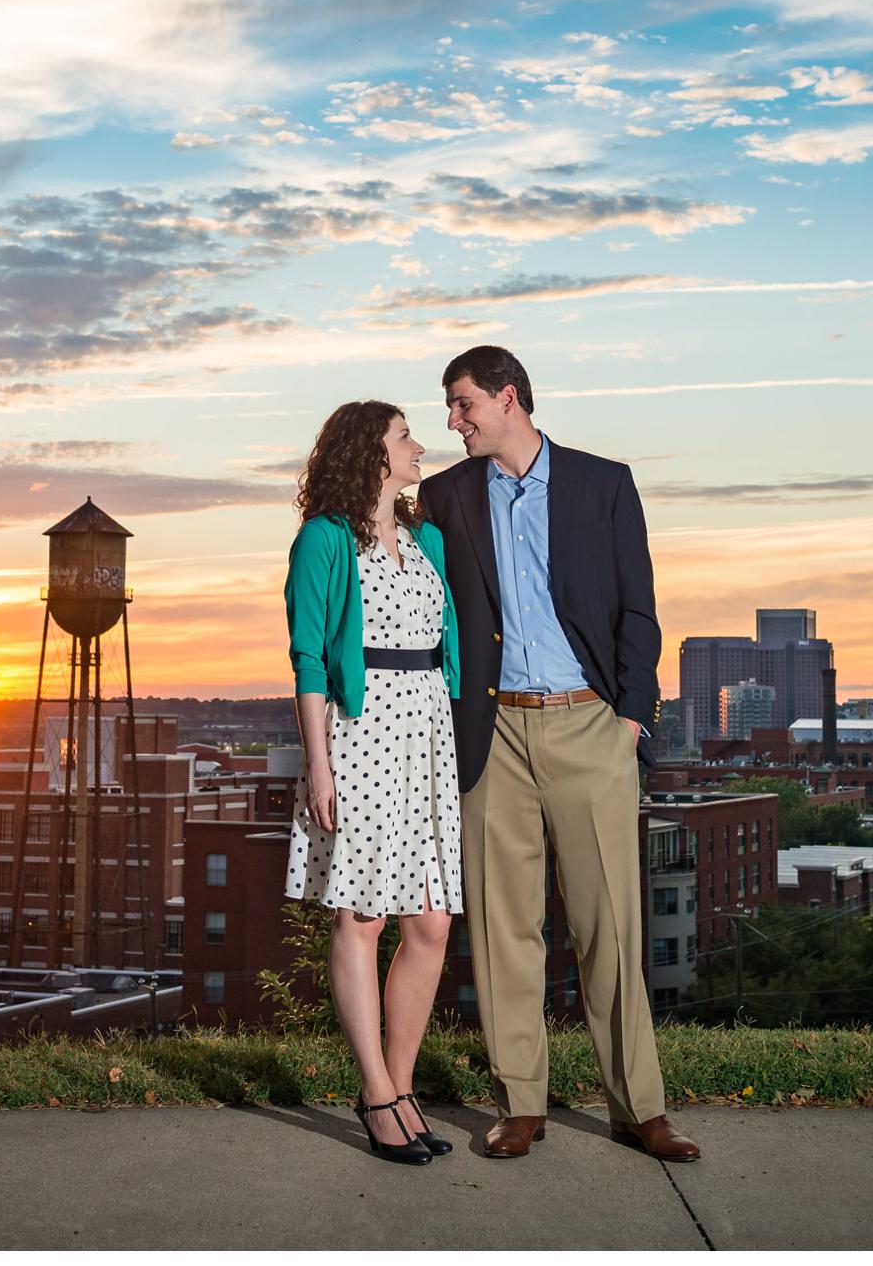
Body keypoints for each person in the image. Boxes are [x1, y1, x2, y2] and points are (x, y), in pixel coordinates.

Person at [418, 344, 699, 1163]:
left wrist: (632, 721)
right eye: (448, 407)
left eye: (463, 404)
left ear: (509, 399)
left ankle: (638, 1107)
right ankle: (521, 1105)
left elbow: (638, 611)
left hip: (590, 727)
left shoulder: (603, 484)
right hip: (492, 734)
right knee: (506, 927)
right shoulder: (443, 496)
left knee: (609, 922)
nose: (453, 421)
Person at [284, 399, 464, 1165]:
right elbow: (310, 659)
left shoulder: (427, 540)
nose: (420, 446)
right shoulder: (324, 540)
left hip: (427, 735)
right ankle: (375, 1092)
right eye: (404, 436)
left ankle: (401, 1083)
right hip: (359, 738)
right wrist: (319, 763)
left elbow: (443, 643)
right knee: (361, 919)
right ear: (370, 452)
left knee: (430, 923)